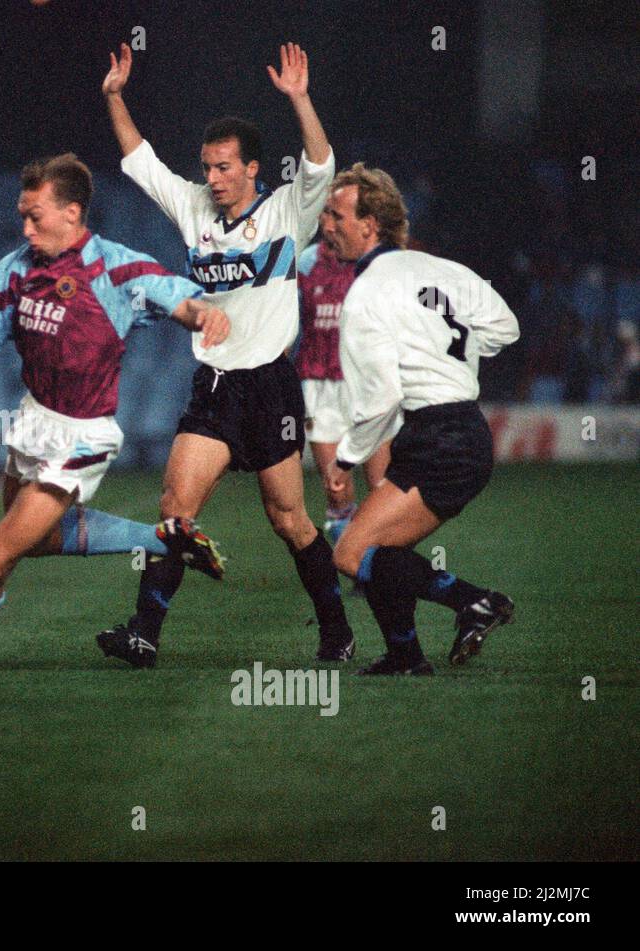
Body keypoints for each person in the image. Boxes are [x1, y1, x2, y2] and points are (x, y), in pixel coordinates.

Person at [0, 153, 231, 676]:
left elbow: (181, 301)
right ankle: (162, 538)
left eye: (35, 215)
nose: (25, 226)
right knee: (35, 540)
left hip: (84, 436)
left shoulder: (116, 268)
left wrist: (207, 314)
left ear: (72, 214)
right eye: (22, 215)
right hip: (33, 420)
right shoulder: (14, 270)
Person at [100, 41, 354, 665]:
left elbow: (321, 161)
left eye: (221, 168)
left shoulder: (287, 211)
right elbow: (139, 159)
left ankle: (337, 631)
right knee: (175, 509)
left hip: (270, 384)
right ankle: (144, 634)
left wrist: (299, 98)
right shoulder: (193, 206)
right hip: (215, 385)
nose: (209, 178)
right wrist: (114, 97)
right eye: (206, 167)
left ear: (250, 169)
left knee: (289, 520)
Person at [320, 163, 520, 674]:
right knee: (382, 552)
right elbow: (505, 327)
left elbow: (381, 395)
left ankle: (474, 601)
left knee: (350, 553)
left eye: (337, 215)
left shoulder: (365, 294)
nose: (326, 225)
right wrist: (452, 353)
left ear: (371, 224)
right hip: (456, 431)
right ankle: (405, 655)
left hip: (441, 438)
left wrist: (345, 458)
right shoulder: (442, 269)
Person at [296, 234, 391, 544]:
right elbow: (282, 320)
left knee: (382, 488)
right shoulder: (306, 262)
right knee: (336, 491)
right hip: (319, 383)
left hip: (369, 383)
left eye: (338, 214)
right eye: (328, 214)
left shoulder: (380, 262)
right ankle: (354, 566)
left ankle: (378, 572)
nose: (332, 222)